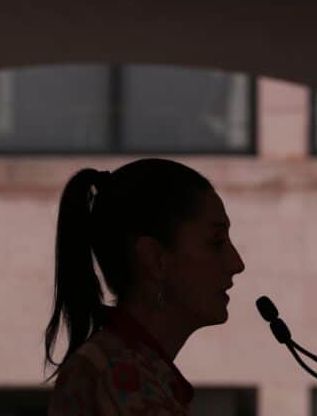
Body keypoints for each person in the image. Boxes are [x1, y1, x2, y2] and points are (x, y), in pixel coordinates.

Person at [43, 158, 246, 415]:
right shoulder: (118, 377)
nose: (237, 264)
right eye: (216, 242)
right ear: (155, 259)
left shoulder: (123, 369)